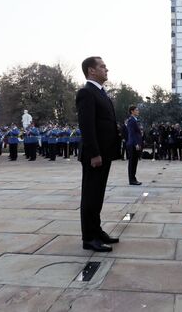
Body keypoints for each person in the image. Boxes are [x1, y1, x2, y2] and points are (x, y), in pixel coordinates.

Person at [76, 56, 120, 252]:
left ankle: (97, 230)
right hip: (95, 155)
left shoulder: (100, 92)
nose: (106, 69)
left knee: (98, 195)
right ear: (91, 71)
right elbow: (87, 126)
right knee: (91, 195)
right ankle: (89, 238)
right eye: (102, 66)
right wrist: (94, 153)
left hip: (105, 153)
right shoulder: (86, 92)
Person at [126, 105, 143, 185]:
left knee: (135, 162)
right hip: (133, 144)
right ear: (132, 111)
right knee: (132, 162)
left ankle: (133, 178)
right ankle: (132, 180)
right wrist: (136, 143)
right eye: (136, 110)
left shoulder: (135, 120)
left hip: (135, 143)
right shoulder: (131, 120)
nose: (138, 111)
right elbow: (132, 133)